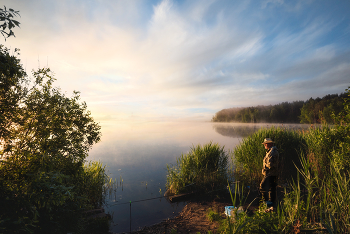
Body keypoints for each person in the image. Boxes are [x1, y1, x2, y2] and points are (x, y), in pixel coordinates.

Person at [259, 138, 279, 209]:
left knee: (262, 186)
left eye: (266, 143)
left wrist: (264, 167)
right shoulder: (270, 151)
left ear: (270, 144)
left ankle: (265, 201)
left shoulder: (272, 152)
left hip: (270, 173)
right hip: (272, 173)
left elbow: (270, 165)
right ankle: (271, 204)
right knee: (272, 188)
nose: (264, 145)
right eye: (264, 143)